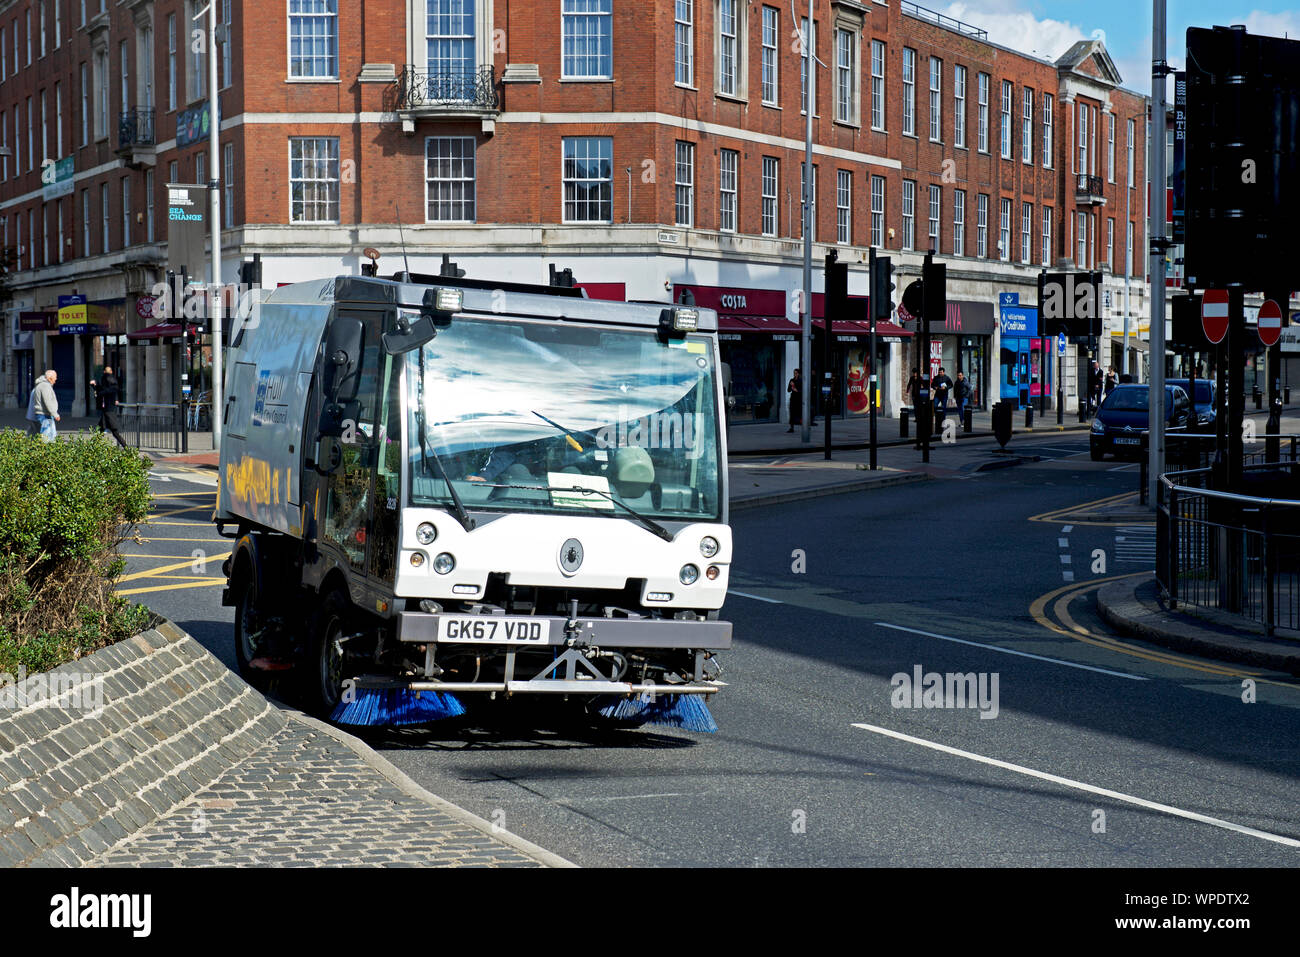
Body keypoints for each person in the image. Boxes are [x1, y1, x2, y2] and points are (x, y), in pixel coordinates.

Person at [90, 366, 128, 447]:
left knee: (114, 431)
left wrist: (95, 386)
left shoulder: (108, 382)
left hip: (109, 411)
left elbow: (102, 391)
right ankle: (92, 447)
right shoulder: (111, 383)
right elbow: (103, 390)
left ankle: (126, 447)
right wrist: (95, 386)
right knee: (101, 430)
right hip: (107, 410)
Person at [27, 370, 60, 443]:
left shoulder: (40, 385)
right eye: (55, 377)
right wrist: (55, 414)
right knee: (47, 437)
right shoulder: (45, 386)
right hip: (44, 414)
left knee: (34, 434)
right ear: (50, 378)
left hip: (37, 414)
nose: (56, 379)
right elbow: (47, 401)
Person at [786, 368, 803, 432]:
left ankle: (804, 426)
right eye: (794, 373)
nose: (794, 374)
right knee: (792, 413)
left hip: (799, 399)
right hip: (793, 399)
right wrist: (791, 386)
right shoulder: (792, 380)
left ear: (798, 373)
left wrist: (795, 389)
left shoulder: (800, 380)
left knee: (799, 413)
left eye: (796, 373)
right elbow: (788, 390)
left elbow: (801, 391)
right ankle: (791, 428)